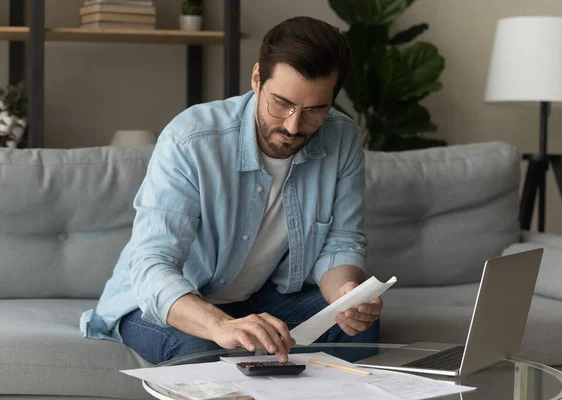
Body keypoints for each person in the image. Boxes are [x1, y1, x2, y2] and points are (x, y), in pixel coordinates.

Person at [80, 16, 383, 365]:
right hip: (168, 303)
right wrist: (219, 324)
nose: (293, 125)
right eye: (281, 103)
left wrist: (347, 298)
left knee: (356, 331)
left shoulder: (341, 138)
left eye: (315, 110)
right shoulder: (190, 140)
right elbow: (153, 264)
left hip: (255, 299)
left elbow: (341, 243)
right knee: (202, 351)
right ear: (257, 79)